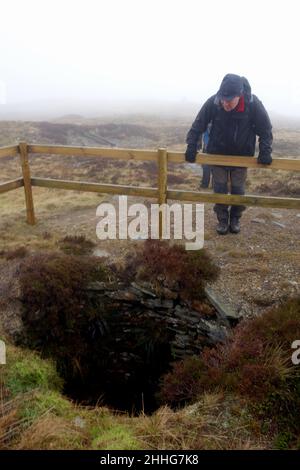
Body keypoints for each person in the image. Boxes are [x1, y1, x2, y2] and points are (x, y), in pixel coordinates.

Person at [185, 73, 273, 235]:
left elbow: (265, 129)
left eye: (229, 100)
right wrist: (192, 146)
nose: (225, 103)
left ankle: (235, 218)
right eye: (223, 99)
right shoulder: (214, 102)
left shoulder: (252, 104)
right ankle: (223, 219)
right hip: (217, 155)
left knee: (238, 190)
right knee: (219, 189)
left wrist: (265, 150)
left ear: (239, 95)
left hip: (242, 158)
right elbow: (198, 124)